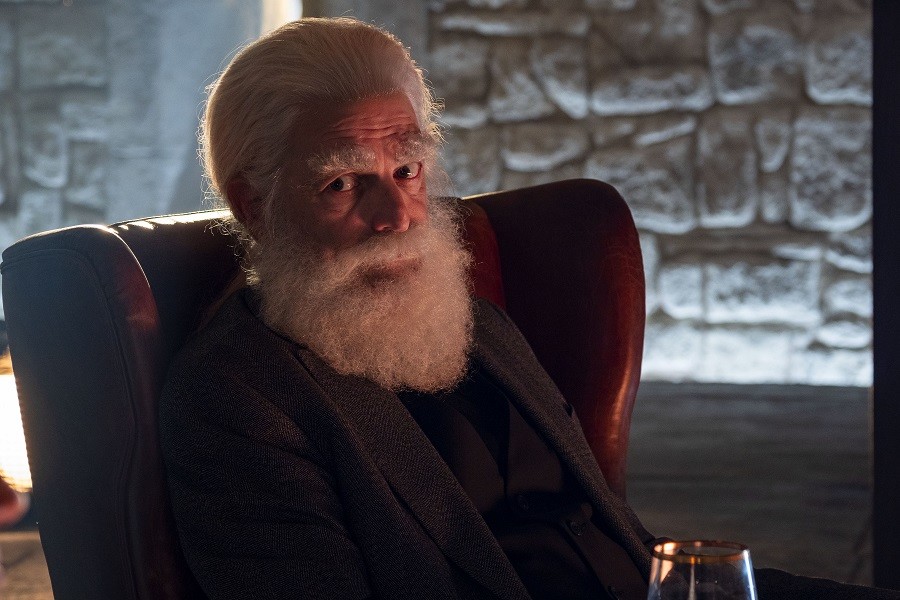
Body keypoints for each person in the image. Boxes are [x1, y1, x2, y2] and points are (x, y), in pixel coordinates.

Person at [159, 17, 899, 600]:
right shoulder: (237, 399)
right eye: (342, 184)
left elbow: (625, 549)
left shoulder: (477, 327)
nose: (398, 216)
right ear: (253, 205)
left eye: (407, 169)